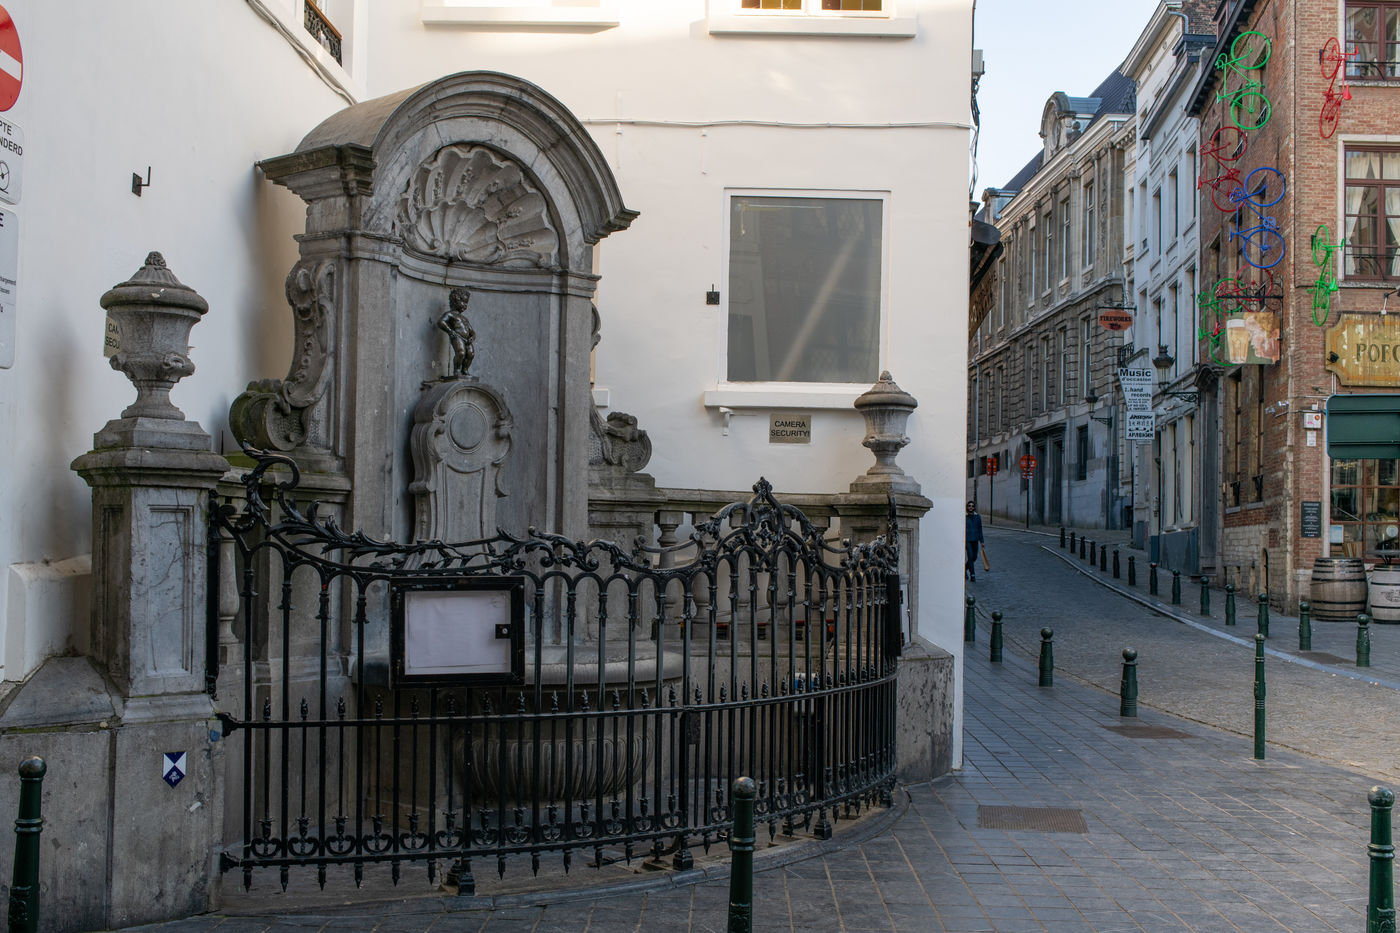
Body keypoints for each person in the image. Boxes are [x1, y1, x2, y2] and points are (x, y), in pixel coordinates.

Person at [438, 287, 476, 377]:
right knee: (461, 352)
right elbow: (441, 322)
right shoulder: (450, 314)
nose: (465, 305)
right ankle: (457, 370)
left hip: (467, 340)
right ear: (455, 301)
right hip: (457, 337)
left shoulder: (464, 318)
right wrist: (450, 331)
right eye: (464, 302)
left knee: (471, 354)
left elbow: (472, 331)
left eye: (466, 303)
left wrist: (472, 337)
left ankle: (465, 370)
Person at [965, 501, 984, 582]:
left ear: (974, 507)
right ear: (967, 507)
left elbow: (980, 529)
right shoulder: (964, 517)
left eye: (972, 506)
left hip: (975, 540)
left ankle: (964, 569)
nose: (971, 507)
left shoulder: (978, 517)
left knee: (974, 557)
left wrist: (982, 541)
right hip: (967, 540)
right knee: (970, 556)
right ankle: (972, 575)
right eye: (969, 506)